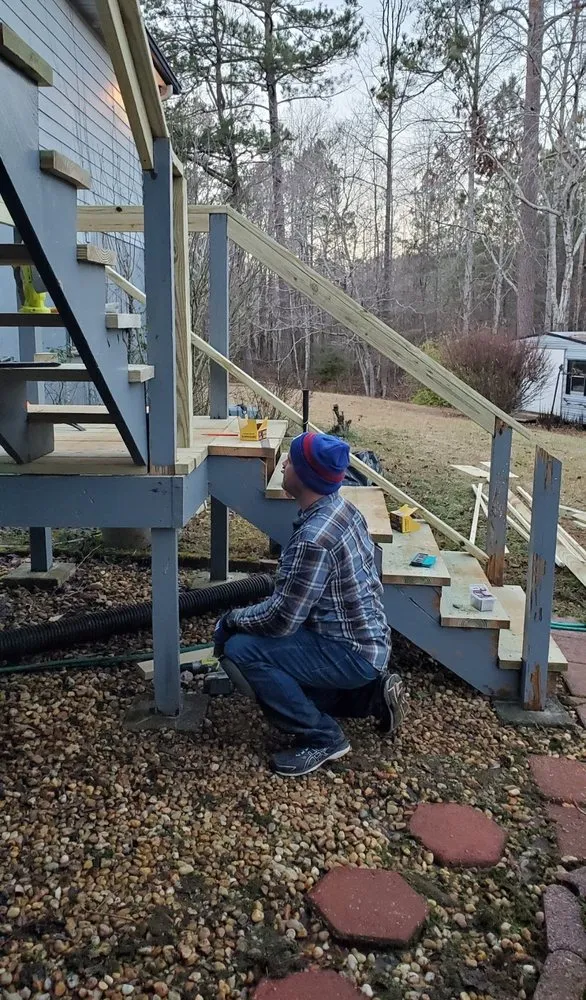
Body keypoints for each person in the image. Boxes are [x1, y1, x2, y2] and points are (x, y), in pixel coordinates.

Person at [214, 431, 404, 777]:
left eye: (291, 460)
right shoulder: (344, 510)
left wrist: (231, 621)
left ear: (304, 476)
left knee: (242, 651)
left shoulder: (313, 540)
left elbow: (281, 620)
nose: (284, 463)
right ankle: (371, 697)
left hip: (349, 652)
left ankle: (323, 738)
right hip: (370, 644)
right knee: (289, 677)